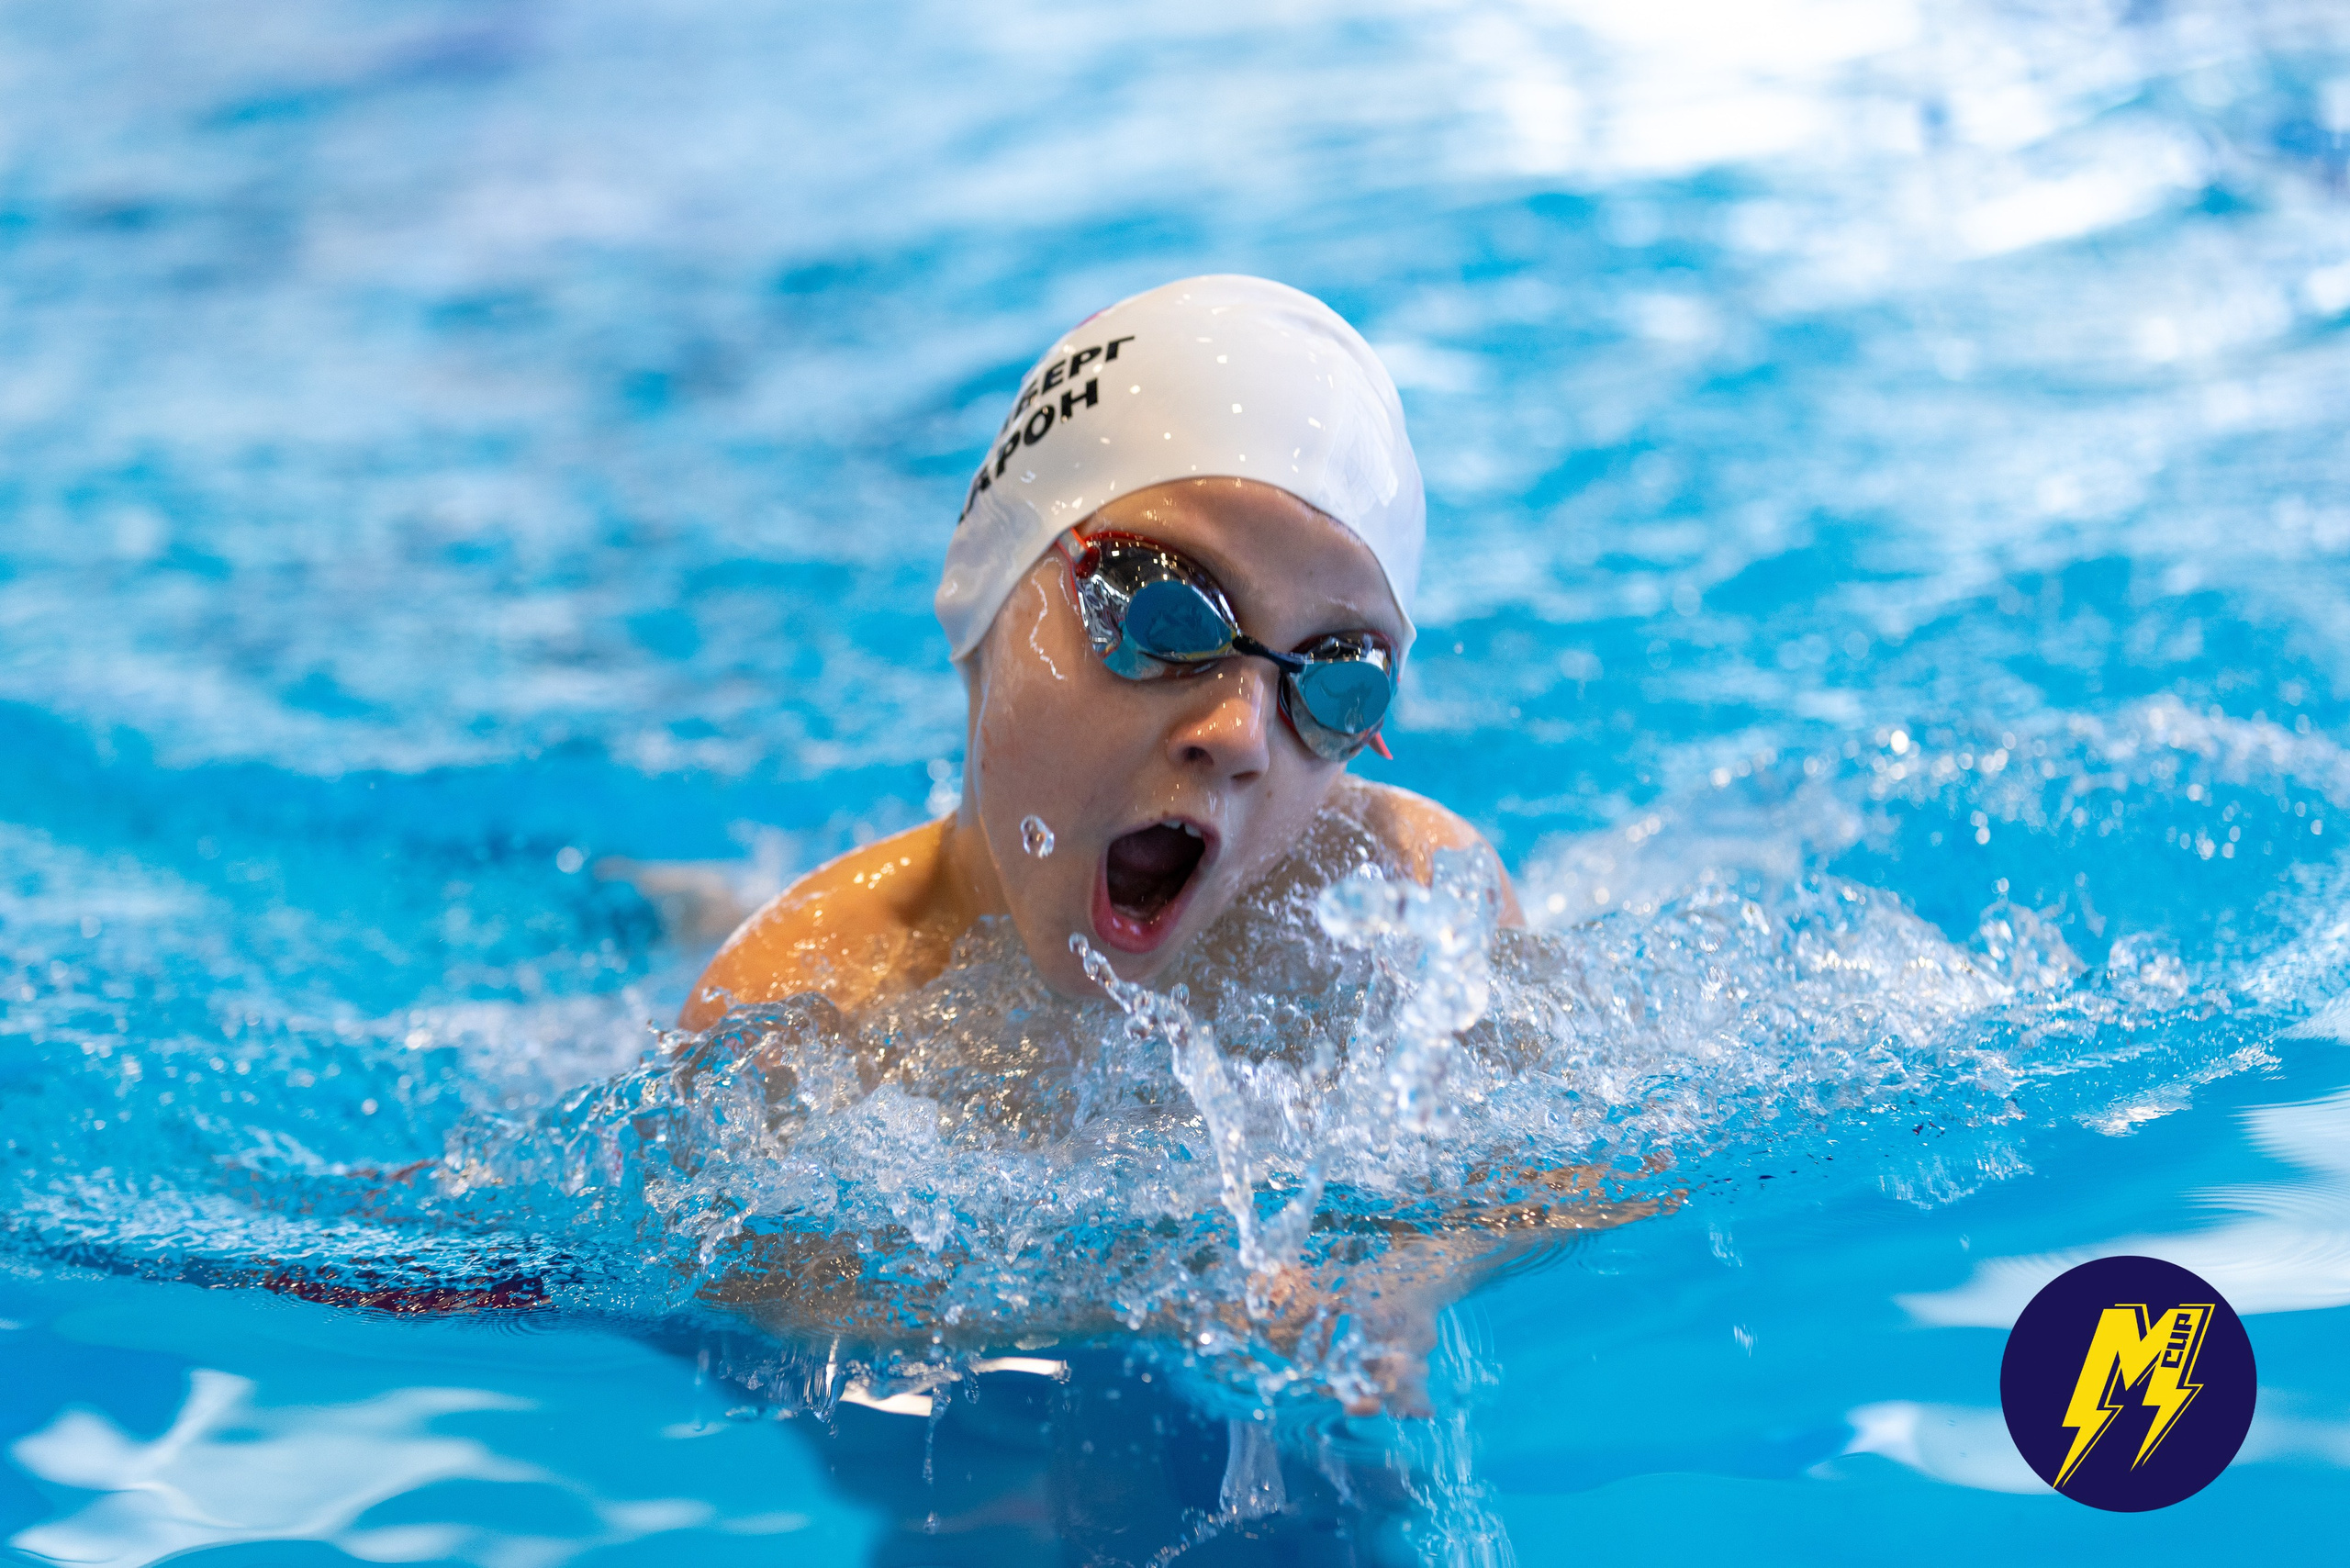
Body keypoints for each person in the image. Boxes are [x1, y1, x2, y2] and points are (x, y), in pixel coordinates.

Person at [682, 274, 1521, 1031]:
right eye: (1167, 616)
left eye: (1338, 683)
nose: (1242, 735)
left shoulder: (1417, 919)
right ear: (991, 582)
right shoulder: (799, 1008)